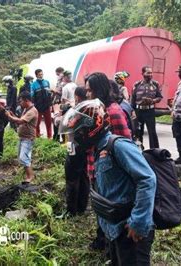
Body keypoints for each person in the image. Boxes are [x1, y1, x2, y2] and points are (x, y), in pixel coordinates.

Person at [59, 99, 156, 265]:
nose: (74, 138)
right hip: (115, 229)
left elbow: (147, 179)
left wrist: (138, 222)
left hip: (131, 229)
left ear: (89, 129)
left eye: (76, 133)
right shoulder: (99, 149)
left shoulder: (118, 146)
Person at [85, 72, 131, 251]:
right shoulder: (97, 111)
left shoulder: (113, 112)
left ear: (99, 90)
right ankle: (104, 241)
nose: (87, 94)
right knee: (101, 208)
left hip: (111, 174)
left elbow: (125, 144)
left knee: (110, 209)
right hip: (96, 170)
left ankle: (112, 246)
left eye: (90, 91)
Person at [64, 86, 89, 216]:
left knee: (72, 178)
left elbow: (69, 125)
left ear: (77, 96)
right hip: (87, 148)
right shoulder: (92, 108)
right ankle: (82, 208)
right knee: (84, 177)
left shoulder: (79, 110)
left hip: (76, 147)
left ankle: (71, 210)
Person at [5, 91, 38, 184]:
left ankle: (30, 176)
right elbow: (20, 120)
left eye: (21, 101)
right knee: (22, 157)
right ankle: (29, 174)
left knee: (24, 158)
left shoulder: (32, 111)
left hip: (28, 138)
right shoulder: (26, 109)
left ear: (26, 100)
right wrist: (12, 115)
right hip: (23, 137)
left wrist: (10, 117)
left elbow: (20, 121)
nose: (20, 103)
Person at [131, 66, 162, 149]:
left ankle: (154, 151)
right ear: (143, 73)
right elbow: (133, 99)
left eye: (151, 73)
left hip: (150, 111)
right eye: (148, 73)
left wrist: (152, 101)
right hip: (138, 111)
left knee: (152, 132)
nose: (150, 75)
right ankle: (139, 150)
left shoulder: (155, 84)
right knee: (138, 132)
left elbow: (159, 97)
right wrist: (132, 111)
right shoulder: (136, 85)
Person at [31, 69, 52, 139]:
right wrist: (34, 105)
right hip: (38, 106)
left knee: (48, 122)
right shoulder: (33, 84)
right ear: (36, 75)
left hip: (47, 105)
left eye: (42, 74)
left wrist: (50, 104)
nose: (41, 76)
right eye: (39, 74)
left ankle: (49, 136)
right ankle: (38, 135)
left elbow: (49, 94)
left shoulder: (47, 82)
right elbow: (32, 96)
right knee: (37, 123)